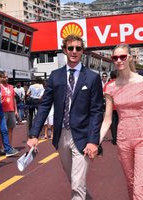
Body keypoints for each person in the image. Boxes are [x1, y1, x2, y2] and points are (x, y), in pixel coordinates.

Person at [27, 34, 104, 200]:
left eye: (78, 48)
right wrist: (34, 135)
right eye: (71, 48)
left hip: (83, 136)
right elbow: (45, 106)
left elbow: (97, 111)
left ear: (82, 51)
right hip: (61, 135)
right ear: (64, 50)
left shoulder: (92, 78)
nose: (74, 51)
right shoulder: (55, 76)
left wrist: (93, 140)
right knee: (74, 179)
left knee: (77, 183)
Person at [100, 43, 143, 200]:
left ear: (129, 57)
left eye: (122, 57)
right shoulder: (110, 88)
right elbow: (107, 119)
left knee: (139, 187)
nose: (119, 60)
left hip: (142, 138)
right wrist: (95, 141)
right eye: (115, 57)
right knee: (131, 184)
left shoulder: (141, 81)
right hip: (123, 139)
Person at [0, 72, 18, 148]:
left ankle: (10, 146)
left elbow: (13, 99)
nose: (6, 78)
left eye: (7, 77)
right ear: (0, 78)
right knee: (2, 130)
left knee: (10, 129)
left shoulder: (11, 86)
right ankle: (1, 147)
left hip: (11, 110)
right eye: (4, 77)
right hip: (2, 111)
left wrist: (16, 110)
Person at [103, 70, 118, 145]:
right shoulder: (121, 83)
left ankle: (115, 139)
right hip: (120, 107)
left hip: (111, 107)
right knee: (120, 123)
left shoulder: (108, 84)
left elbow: (104, 94)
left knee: (113, 124)